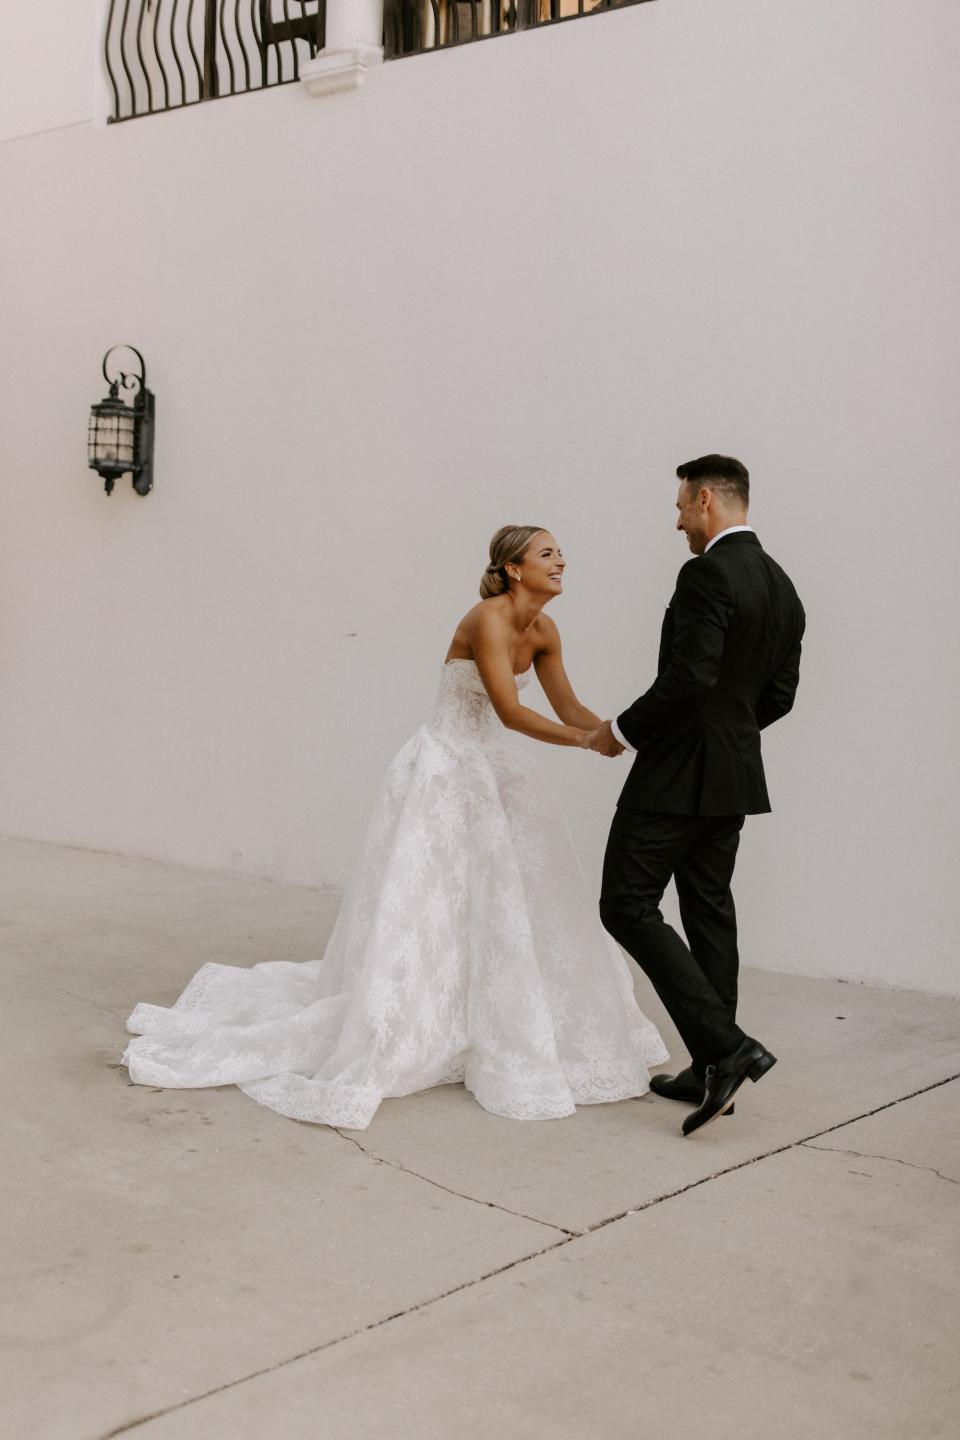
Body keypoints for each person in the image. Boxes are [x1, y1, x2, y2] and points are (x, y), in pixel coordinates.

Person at [124, 526, 667, 1129]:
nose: (561, 559)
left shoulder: (544, 631)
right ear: (514, 569)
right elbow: (510, 712)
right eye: (547, 554)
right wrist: (586, 742)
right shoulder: (486, 619)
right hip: (444, 767)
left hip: (494, 773)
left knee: (504, 898)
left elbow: (569, 708)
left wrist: (620, 735)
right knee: (432, 901)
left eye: (559, 552)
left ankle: (483, 1016)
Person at [590, 456, 805, 1136]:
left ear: (707, 499)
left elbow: (690, 676)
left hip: (678, 774)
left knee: (625, 904)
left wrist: (620, 731)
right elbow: (779, 695)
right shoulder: (782, 585)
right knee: (709, 913)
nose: (678, 518)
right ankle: (711, 1070)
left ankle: (727, 1048)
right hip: (735, 774)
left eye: (682, 504)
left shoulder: (706, 572)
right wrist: (728, 735)